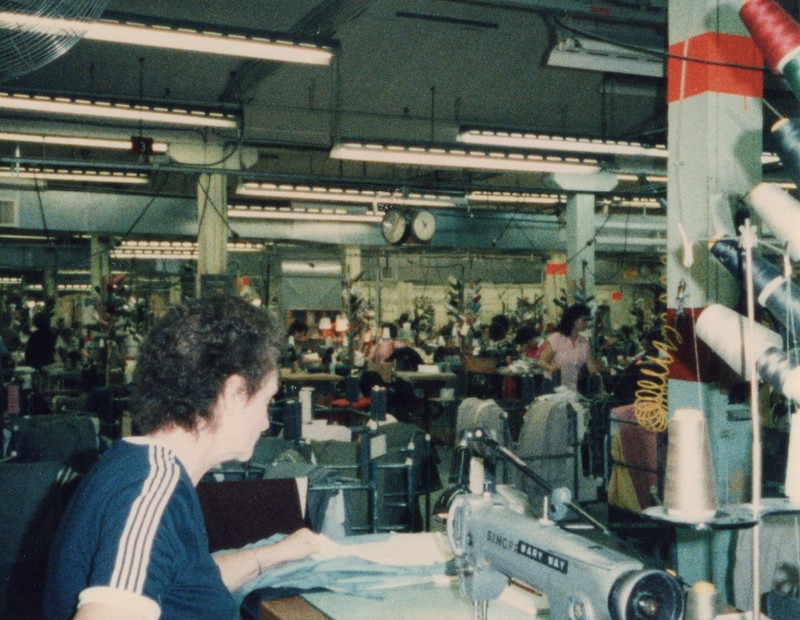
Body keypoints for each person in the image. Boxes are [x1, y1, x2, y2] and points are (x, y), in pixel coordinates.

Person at [43, 295, 321, 620]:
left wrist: (276, 554)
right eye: (266, 400)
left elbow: (184, 583)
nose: (265, 421)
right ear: (233, 395)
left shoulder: (140, 467)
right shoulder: (150, 491)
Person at [538, 303, 604, 393]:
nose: (586, 323)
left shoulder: (584, 342)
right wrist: (551, 368)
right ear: (573, 320)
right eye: (584, 320)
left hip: (573, 387)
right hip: (552, 385)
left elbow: (590, 364)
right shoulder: (556, 338)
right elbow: (542, 362)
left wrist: (598, 379)